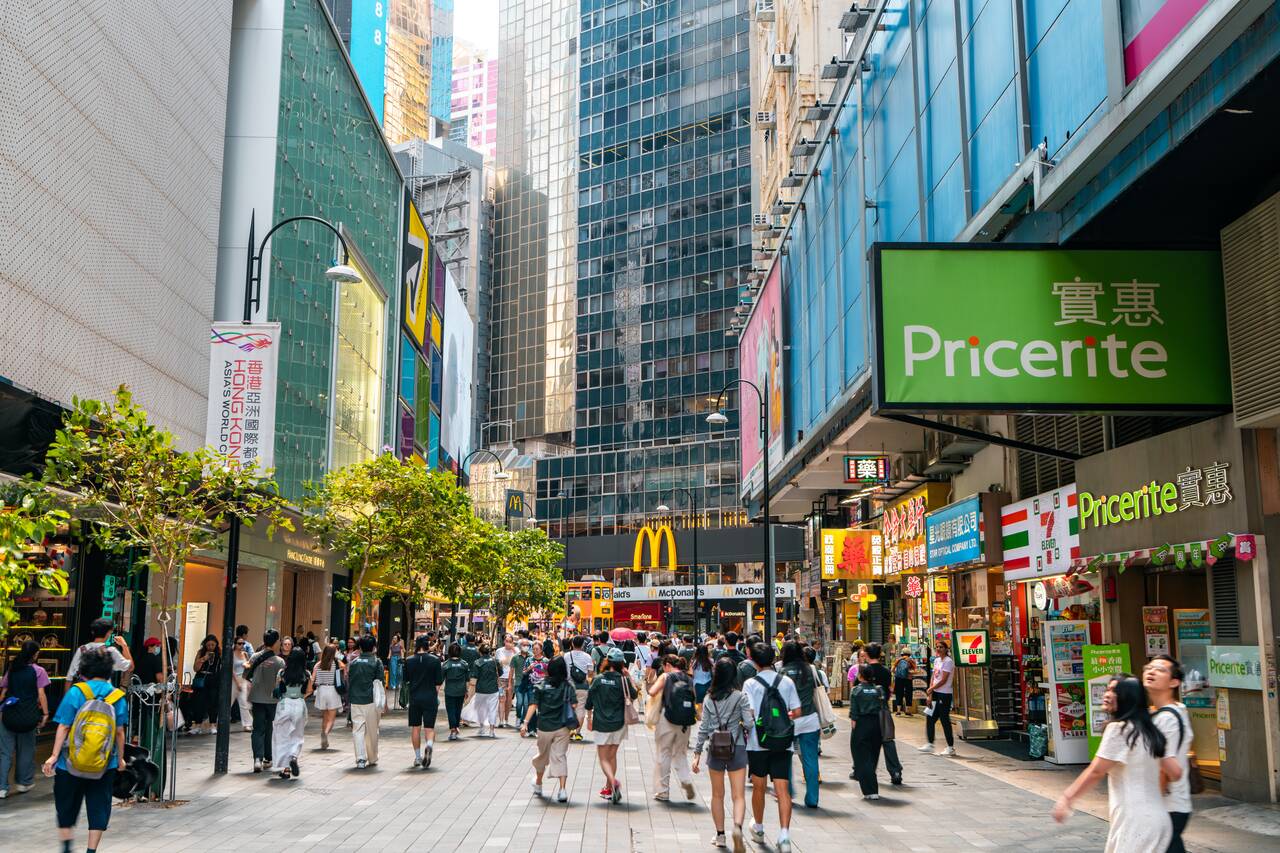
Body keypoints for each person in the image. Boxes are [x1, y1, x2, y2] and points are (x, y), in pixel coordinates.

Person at [1053, 675, 1180, 852]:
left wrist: (1067, 798)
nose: (1107, 694)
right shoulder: (1150, 731)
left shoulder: (1120, 729)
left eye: (1114, 691)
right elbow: (1174, 772)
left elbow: (1096, 771)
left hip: (1135, 820)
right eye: (1108, 689)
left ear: (1127, 697)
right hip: (1157, 818)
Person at [42, 647, 128, 853]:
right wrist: (121, 759)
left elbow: (63, 726)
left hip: (69, 762)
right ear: (109, 670)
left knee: (66, 806)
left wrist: (53, 756)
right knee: (99, 806)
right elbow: (119, 733)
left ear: (84, 670)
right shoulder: (117, 696)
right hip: (104, 763)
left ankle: (66, 847)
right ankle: (91, 851)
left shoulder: (76, 691)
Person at [743, 642, 800, 853]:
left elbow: (748, 713)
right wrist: (782, 718)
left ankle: (758, 827)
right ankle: (784, 835)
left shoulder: (750, 683)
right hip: (783, 742)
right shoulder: (786, 681)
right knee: (782, 790)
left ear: (754, 661)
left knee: (759, 787)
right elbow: (797, 710)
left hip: (758, 743)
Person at [693, 657, 754, 853]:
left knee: (717, 795)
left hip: (716, 749)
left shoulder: (709, 698)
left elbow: (703, 727)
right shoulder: (740, 696)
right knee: (738, 796)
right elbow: (750, 723)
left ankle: (720, 835)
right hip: (737, 747)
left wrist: (696, 753)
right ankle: (737, 828)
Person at [1145, 655, 1193, 853]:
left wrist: (1152, 805)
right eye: (1149, 667)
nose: (1152, 671)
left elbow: (1165, 765)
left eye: (1160, 669)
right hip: (1173, 804)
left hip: (1167, 805)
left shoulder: (1167, 718)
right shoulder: (1176, 710)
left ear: (1174, 682)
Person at [521, 655, 575, 803]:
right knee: (560, 757)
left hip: (544, 726)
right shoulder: (567, 686)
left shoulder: (541, 685)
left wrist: (525, 723)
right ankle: (562, 790)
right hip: (563, 727)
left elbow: (533, 705)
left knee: (542, 756)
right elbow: (574, 705)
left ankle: (538, 783)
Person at [0, 640, 50, 799]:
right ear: (35, 654)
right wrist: (46, 714)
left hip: (9, 715)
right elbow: (41, 694)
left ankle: (2, 787)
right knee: (26, 751)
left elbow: (3, 692)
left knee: (5, 753)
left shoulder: (12, 669)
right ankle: (23, 783)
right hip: (28, 716)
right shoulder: (39, 671)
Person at [585, 649, 636, 803]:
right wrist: (629, 676)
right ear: (622, 663)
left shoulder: (598, 679)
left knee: (603, 758)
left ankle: (613, 782)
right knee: (612, 755)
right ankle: (609, 788)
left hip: (602, 722)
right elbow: (633, 695)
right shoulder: (623, 680)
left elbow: (589, 702)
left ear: (607, 661)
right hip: (620, 723)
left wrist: (589, 718)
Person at [777, 641, 820, 808]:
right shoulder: (810, 670)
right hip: (810, 718)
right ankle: (812, 798)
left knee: (786, 757)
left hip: (789, 720)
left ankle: (787, 792)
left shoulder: (783, 671)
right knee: (810, 759)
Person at [649, 654, 696, 803]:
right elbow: (694, 697)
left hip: (667, 718)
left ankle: (663, 792)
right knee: (680, 753)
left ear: (668, 665)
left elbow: (652, 692)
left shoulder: (665, 676)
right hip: (685, 722)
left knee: (664, 753)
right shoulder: (689, 678)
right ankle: (685, 779)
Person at [862, 643, 903, 785]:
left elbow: (857, 690)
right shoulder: (886, 671)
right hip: (883, 710)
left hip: (867, 712)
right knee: (888, 741)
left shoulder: (864, 671)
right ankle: (895, 771)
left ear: (867, 654)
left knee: (867, 743)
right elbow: (890, 689)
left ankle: (867, 771)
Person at [244, 630, 285, 773]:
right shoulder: (279, 661)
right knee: (269, 728)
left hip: (256, 698)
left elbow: (246, 675)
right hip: (272, 700)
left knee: (258, 728)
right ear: (275, 642)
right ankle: (268, 758)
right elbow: (281, 682)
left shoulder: (254, 657)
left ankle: (257, 759)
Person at [271, 649, 312, 779]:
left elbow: (277, 688)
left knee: (282, 736)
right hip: (299, 704)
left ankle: (286, 769)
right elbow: (310, 690)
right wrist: (300, 696)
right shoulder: (306, 674)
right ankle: (294, 756)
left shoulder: (282, 672)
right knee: (297, 735)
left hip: (284, 704)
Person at [403, 635, 443, 768]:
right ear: (427, 645)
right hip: (430, 696)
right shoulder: (435, 660)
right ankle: (429, 745)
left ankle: (418, 757)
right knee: (429, 727)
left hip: (414, 698)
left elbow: (406, 680)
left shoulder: (408, 661)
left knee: (415, 727)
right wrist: (434, 694)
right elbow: (438, 682)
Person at [346, 635, 384, 769]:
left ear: (360, 647)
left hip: (356, 700)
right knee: (372, 731)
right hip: (371, 700)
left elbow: (349, 681)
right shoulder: (377, 662)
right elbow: (380, 682)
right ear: (374, 647)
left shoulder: (354, 662)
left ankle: (360, 758)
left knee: (357, 730)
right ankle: (372, 757)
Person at [849, 665, 886, 800]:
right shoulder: (879, 690)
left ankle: (869, 790)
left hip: (861, 725)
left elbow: (853, 714)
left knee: (862, 758)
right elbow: (884, 707)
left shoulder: (856, 691)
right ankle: (873, 787)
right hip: (877, 725)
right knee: (873, 755)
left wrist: (854, 728)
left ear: (860, 676)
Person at [918, 639, 955, 756]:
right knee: (930, 717)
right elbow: (933, 676)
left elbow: (944, 680)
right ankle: (930, 744)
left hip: (944, 694)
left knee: (944, 719)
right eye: (937, 647)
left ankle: (950, 747)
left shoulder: (948, 661)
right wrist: (930, 692)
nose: (938, 649)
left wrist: (932, 688)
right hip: (935, 693)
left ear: (946, 649)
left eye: (941, 647)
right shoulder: (937, 660)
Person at [65, 618, 133, 682]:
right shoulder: (111, 652)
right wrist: (124, 645)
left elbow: (69, 677)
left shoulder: (82, 649)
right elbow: (130, 667)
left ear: (93, 632)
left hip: (84, 692)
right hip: (102, 693)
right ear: (108, 633)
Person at [311, 642, 345, 750]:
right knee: (331, 718)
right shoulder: (336, 663)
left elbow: (313, 679)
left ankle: (323, 737)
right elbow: (345, 670)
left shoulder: (318, 664)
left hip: (321, 691)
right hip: (332, 691)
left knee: (325, 716)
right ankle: (325, 733)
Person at [188, 635, 221, 735]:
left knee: (213, 702)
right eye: (208, 645)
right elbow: (195, 668)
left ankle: (212, 725)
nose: (211, 647)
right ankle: (197, 726)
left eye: (213, 645)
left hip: (214, 679)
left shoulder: (219, 652)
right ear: (205, 645)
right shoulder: (201, 652)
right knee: (199, 702)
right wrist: (204, 658)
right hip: (201, 679)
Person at [441, 643, 471, 742]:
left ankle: (453, 730)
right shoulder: (464, 664)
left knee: (451, 711)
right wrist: (467, 691)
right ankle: (456, 727)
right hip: (461, 690)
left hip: (449, 690)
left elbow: (441, 679)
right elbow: (467, 679)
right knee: (458, 710)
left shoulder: (445, 664)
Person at [567, 635, 594, 742]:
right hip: (583, 686)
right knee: (581, 709)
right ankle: (577, 732)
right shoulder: (587, 657)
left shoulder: (566, 656)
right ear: (583, 644)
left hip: (569, 686)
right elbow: (591, 673)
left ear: (572, 644)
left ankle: (570, 730)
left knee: (570, 707)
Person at [471, 643, 501, 737]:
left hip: (480, 689)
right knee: (492, 710)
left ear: (480, 652)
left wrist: (470, 690)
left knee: (481, 709)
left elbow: (474, 677)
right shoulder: (495, 661)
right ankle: (492, 731)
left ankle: (481, 727)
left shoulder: (477, 662)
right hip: (493, 689)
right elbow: (500, 673)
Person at [496, 634, 518, 727]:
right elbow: (499, 664)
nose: (508, 643)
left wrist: (514, 650)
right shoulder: (499, 651)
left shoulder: (516, 651)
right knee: (501, 699)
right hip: (501, 679)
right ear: (504, 641)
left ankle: (506, 719)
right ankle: (501, 721)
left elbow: (518, 661)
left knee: (509, 700)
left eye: (510, 641)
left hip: (511, 678)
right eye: (506, 641)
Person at [892, 648, 917, 716]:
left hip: (898, 678)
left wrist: (896, 673)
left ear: (902, 654)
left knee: (899, 693)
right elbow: (915, 670)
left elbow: (892, 669)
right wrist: (910, 673)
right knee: (908, 693)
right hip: (908, 679)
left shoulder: (898, 660)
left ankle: (898, 711)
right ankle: (907, 711)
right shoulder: (911, 660)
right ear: (909, 654)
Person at [386, 633, 404, 712]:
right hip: (393, 658)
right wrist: (389, 656)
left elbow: (402, 652)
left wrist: (402, 657)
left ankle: (398, 683)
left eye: (395, 638)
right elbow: (389, 653)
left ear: (398, 639)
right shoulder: (391, 646)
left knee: (399, 672)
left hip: (398, 658)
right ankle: (393, 684)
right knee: (393, 672)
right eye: (393, 638)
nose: (394, 639)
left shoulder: (400, 645)